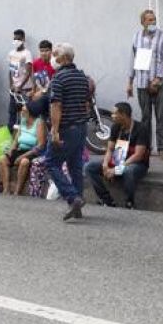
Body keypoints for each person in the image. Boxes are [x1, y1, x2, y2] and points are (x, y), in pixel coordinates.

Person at [47, 43, 91, 221]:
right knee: (75, 166)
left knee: (51, 162)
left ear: (64, 58)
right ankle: (77, 205)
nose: (53, 58)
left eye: (55, 55)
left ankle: (73, 198)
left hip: (66, 127)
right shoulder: (82, 77)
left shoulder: (58, 78)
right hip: (81, 127)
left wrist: (55, 131)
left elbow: (56, 105)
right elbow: (86, 103)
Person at [86, 102, 149, 209]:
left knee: (128, 171)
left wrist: (116, 169)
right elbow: (110, 149)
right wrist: (106, 164)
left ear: (123, 115)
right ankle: (107, 200)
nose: (112, 116)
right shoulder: (116, 127)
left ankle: (129, 202)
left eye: (115, 114)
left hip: (137, 164)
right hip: (118, 159)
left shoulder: (141, 128)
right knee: (89, 167)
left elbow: (138, 155)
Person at [127, 9, 163, 160]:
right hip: (141, 82)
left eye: (154, 19)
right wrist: (130, 82)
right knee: (145, 118)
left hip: (158, 83)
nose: (153, 22)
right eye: (149, 20)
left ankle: (162, 148)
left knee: (160, 116)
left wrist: (158, 79)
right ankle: (146, 147)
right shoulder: (137, 37)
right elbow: (132, 59)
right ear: (143, 22)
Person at [0, 104, 47, 195]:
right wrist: (10, 151)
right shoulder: (23, 122)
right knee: (2, 159)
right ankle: (6, 189)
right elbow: (16, 140)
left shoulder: (39, 123)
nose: (22, 113)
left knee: (24, 161)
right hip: (20, 150)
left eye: (24, 111)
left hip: (32, 151)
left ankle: (17, 191)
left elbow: (41, 145)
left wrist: (22, 156)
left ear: (31, 113)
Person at [8, 29, 34, 127]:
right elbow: (10, 71)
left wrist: (20, 86)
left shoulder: (27, 53)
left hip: (25, 89)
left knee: (25, 113)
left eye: (18, 39)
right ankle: (11, 132)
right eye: (14, 39)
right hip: (14, 90)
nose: (16, 41)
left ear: (23, 39)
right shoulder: (11, 53)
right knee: (12, 113)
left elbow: (28, 72)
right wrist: (11, 85)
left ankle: (24, 133)